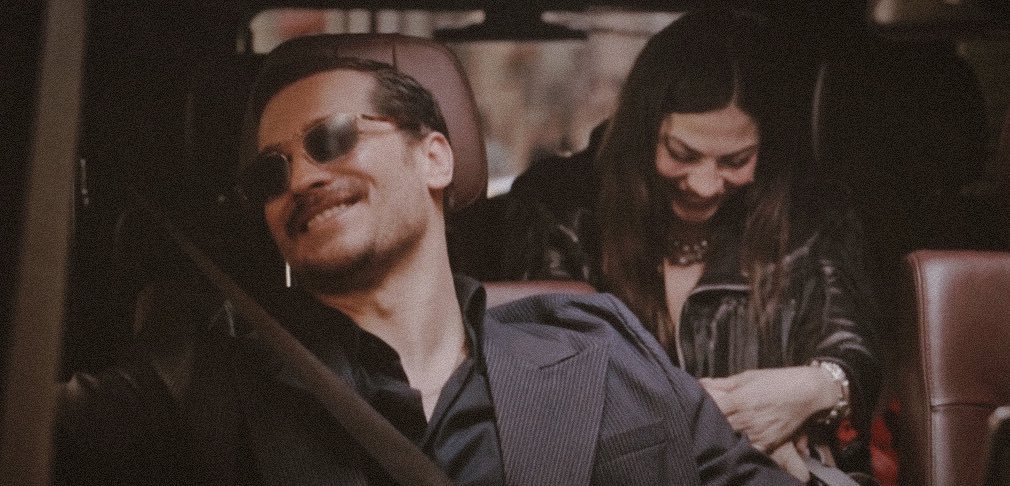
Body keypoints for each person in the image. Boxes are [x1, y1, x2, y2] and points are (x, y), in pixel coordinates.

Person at [51, 34, 798, 485]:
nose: (301, 178)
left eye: (332, 138)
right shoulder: (204, 382)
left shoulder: (595, 339)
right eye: (269, 174)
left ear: (436, 157)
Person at [450, 8, 881, 483]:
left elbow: (849, 346)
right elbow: (556, 378)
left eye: (735, 160)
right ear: (640, 132)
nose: (704, 184)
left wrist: (810, 390)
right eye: (681, 154)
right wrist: (730, 431)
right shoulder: (563, 209)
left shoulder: (809, 215)